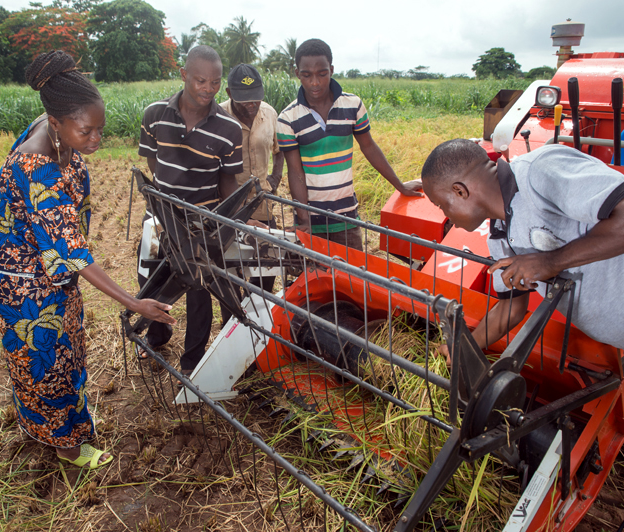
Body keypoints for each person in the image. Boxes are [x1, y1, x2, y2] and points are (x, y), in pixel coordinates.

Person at [421, 139, 624, 532]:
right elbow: (513, 307)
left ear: (461, 190)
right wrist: (464, 346)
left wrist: (549, 261)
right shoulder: (500, 237)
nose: (447, 216)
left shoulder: (543, 170)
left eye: (443, 205)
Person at [0, 51, 175, 469]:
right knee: (45, 358)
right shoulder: (38, 171)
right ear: (56, 123)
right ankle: (68, 446)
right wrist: (135, 302)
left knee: (62, 351)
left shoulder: (52, 126)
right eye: (86, 131)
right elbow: (72, 254)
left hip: (48, 271)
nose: (95, 140)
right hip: (26, 282)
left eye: (100, 130)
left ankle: (51, 427)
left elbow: (64, 249)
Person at [137, 45, 243, 375]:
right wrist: (170, 190)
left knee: (198, 288)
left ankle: (192, 362)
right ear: (184, 75)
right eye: (200, 81)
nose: (208, 89)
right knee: (150, 277)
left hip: (201, 222)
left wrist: (233, 221)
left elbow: (228, 182)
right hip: (159, 215)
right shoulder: (154, 114)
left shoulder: (229, 129)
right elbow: (153, 159)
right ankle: (157, 336)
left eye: (215, 82)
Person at [276, 38, 421, 251]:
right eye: (307, 75)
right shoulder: (288, 118)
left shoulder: (352, 105)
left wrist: (399, 185)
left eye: (322, 74)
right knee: (315, 280)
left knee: (352, 280)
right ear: (297, 73)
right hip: (311, 220)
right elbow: (295, 172)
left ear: (332, 70)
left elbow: (369, 147)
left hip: (346, 217)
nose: (315, 82)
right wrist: (304, 219)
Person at [219, 63, 285, 293]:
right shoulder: (217, 117)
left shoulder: (270, 114)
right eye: (244, 99)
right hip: (229, 208)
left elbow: (280, 150)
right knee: (230, 273)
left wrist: (275, 178)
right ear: (229, 93)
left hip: (262, 206)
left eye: (255, 98)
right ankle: (234, 321)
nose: (251, 104)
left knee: (267, 269)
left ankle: (258, 317)